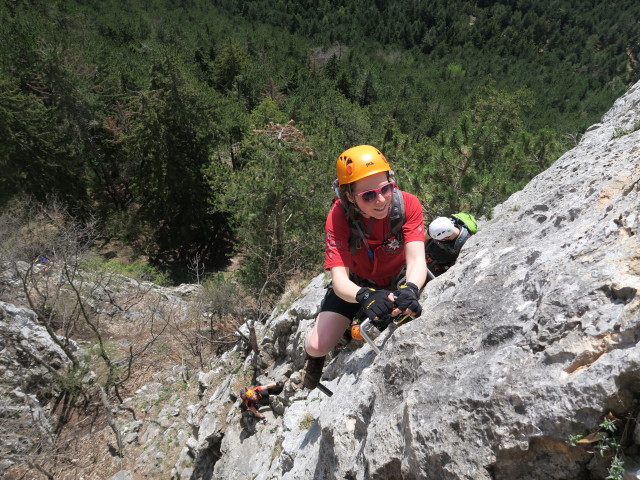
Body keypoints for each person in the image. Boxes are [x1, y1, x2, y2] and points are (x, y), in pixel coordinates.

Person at [303, 145, 427, 390]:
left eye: (386, 189)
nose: (380, 200)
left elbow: (416, 260)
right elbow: (340, 281)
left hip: (398, 275)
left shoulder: (407, 205)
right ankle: (313, 366)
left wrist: (410, 288)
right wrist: (364, 295)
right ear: (349, 195)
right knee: (316, 345)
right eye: (368, 195)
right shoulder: (338, 217)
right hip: (356, 284)